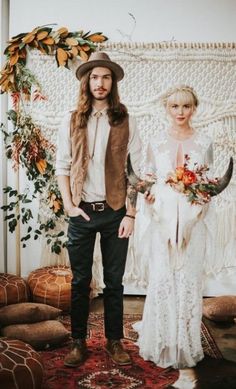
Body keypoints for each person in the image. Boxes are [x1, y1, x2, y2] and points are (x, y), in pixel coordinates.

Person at [55, 51, 151, 367]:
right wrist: (69, 205)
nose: (100, 82)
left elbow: (135, 172)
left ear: (113, 82)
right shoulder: (71, 119)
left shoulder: (126, 120)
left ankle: (114, 341)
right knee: (80, 281)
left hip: (115, 212)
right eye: (94, 77)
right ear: (87, 81)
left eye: (106, 77)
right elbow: (62, 166)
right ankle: (78, 342)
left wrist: (131, 213)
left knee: (114, 281)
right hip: (82, 211)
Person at [133, 85, 216, 369]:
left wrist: (199, 205)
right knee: (163, 277)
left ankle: (185, 342)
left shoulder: (205, 142)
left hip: (193, 219)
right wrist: (149, 195)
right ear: (167, 109)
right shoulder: (155, 142)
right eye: (174, 106)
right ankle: (162, 340)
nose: (180, 112)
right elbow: (147, 178)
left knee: (188, 279)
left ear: (194, 108)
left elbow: (208, 182)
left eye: (186, 106)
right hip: (162, 219)